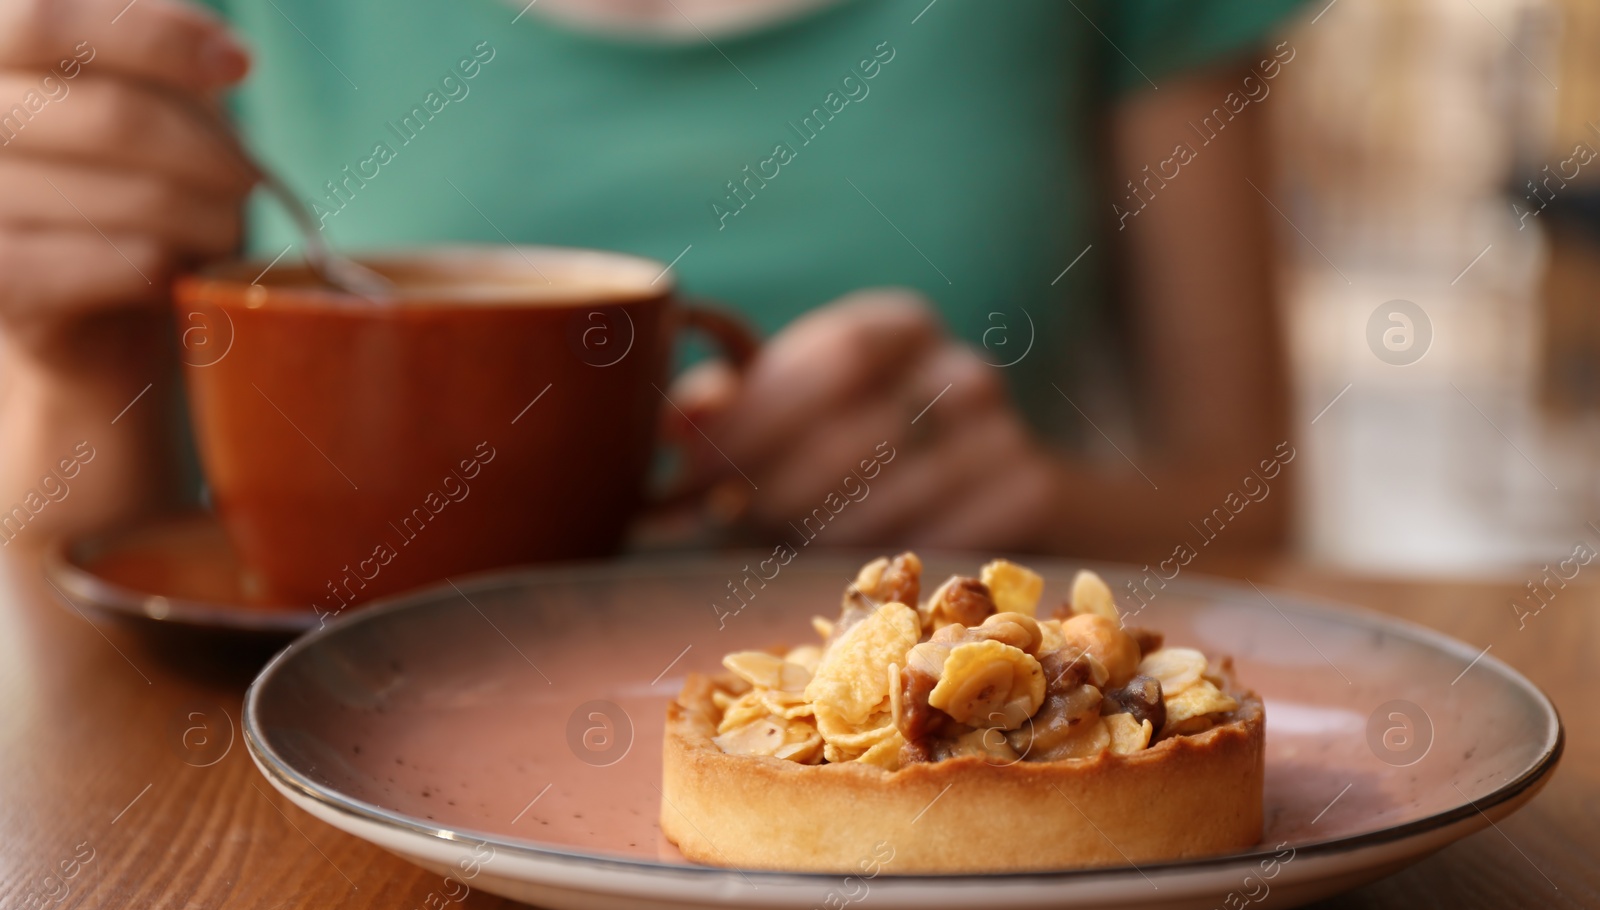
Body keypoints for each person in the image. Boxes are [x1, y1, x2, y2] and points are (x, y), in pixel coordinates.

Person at [0, 0, 1297, 561]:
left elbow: (1255, 510)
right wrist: (72, 360)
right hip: (275, 827)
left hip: (936, 829)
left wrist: (1030, 506)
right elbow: (76, 567)